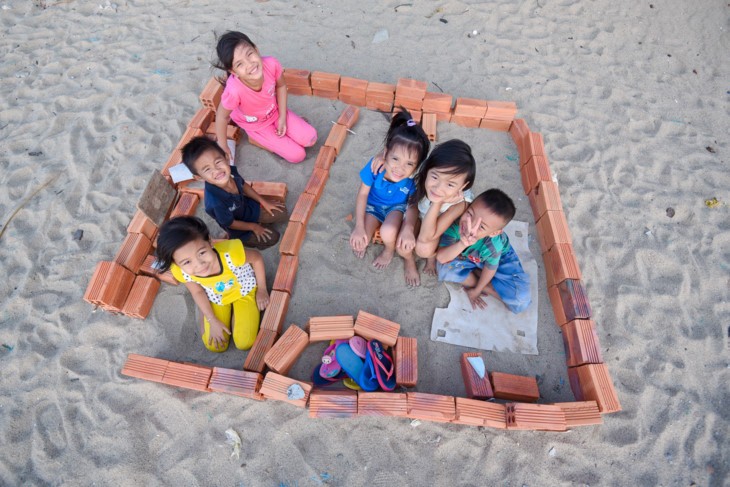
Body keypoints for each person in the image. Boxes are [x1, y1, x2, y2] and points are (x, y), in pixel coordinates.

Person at [155, 216, 269, 352]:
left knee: (244, 343)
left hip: (243, 289)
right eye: (187, 262)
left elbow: (256, 258)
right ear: (176, 263)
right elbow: (197, 291)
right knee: (215, 346)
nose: (199, 265)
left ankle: (236, 317)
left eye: (202, 253)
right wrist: (212, 319)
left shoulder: (231, 254)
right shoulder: (181, 271)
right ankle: (206, 314)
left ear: (210, 241)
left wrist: (262, 289)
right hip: (217, 296)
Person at [349, 110, 430, 285]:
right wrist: (359, 226)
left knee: (388, 231)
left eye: (409, 164)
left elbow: (412, 206)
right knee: (363, 238)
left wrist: (408, 227)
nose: (400, 168)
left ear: (417, 166)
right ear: (385, 153)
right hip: (372, 207)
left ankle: (389, 250)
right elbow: (362, 194)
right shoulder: (375, 166)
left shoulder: (413, 180)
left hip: (395, 208)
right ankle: (367, 235)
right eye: (395, 159)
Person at [213, 31, 317, 163]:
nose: (249, 64)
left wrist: (282, 117)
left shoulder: (271, 64)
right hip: (256, 125)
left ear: (256, 49)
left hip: (274, 112)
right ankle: (257, 138)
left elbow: (281, 86)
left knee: (311, 138)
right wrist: (223, 145)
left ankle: (284, 130)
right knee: (298, 156)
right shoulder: (234, 91)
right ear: (233, 72)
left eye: (249, 54)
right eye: (240, 64)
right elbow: (222, 116)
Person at [182, 136, 287, 249]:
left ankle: (261, 222)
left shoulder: (231, 171)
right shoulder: (215, 203)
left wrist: (264, 202)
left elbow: (243, 185)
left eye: (218, 162)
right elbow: (231, 223)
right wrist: (254, 227)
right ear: (199, 177)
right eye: (207, 169)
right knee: (273, 238)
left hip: (248, 209)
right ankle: (244, 240)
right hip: (239, 228)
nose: (216, 170)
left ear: (226, 158)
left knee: (282, 213)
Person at [436, 189, 530, 313]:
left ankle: (480, 280)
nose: (470, 225)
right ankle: (487, 286)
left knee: (520, 301)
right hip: (470, 257)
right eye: (470, 214)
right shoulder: (456, 225)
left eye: (481, 226)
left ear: (494, 233)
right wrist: (463, 243)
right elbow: (441, 258)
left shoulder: (493, 244)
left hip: (501, 259)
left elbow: (490, 268)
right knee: (444, 269)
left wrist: (477, 290)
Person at [409, 139, 476, 276]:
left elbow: (427, 237)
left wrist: (438, 202)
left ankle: (432, 258)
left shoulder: (460, 203)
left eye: (450, 184)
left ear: (463, 186)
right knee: (403, 245)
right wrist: (381, 158)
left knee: (423, 249)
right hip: (420, 218)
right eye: (435, 177)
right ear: (427, 169)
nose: (438, 188)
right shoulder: (422, 176)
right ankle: (408, 261)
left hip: (437, 229)